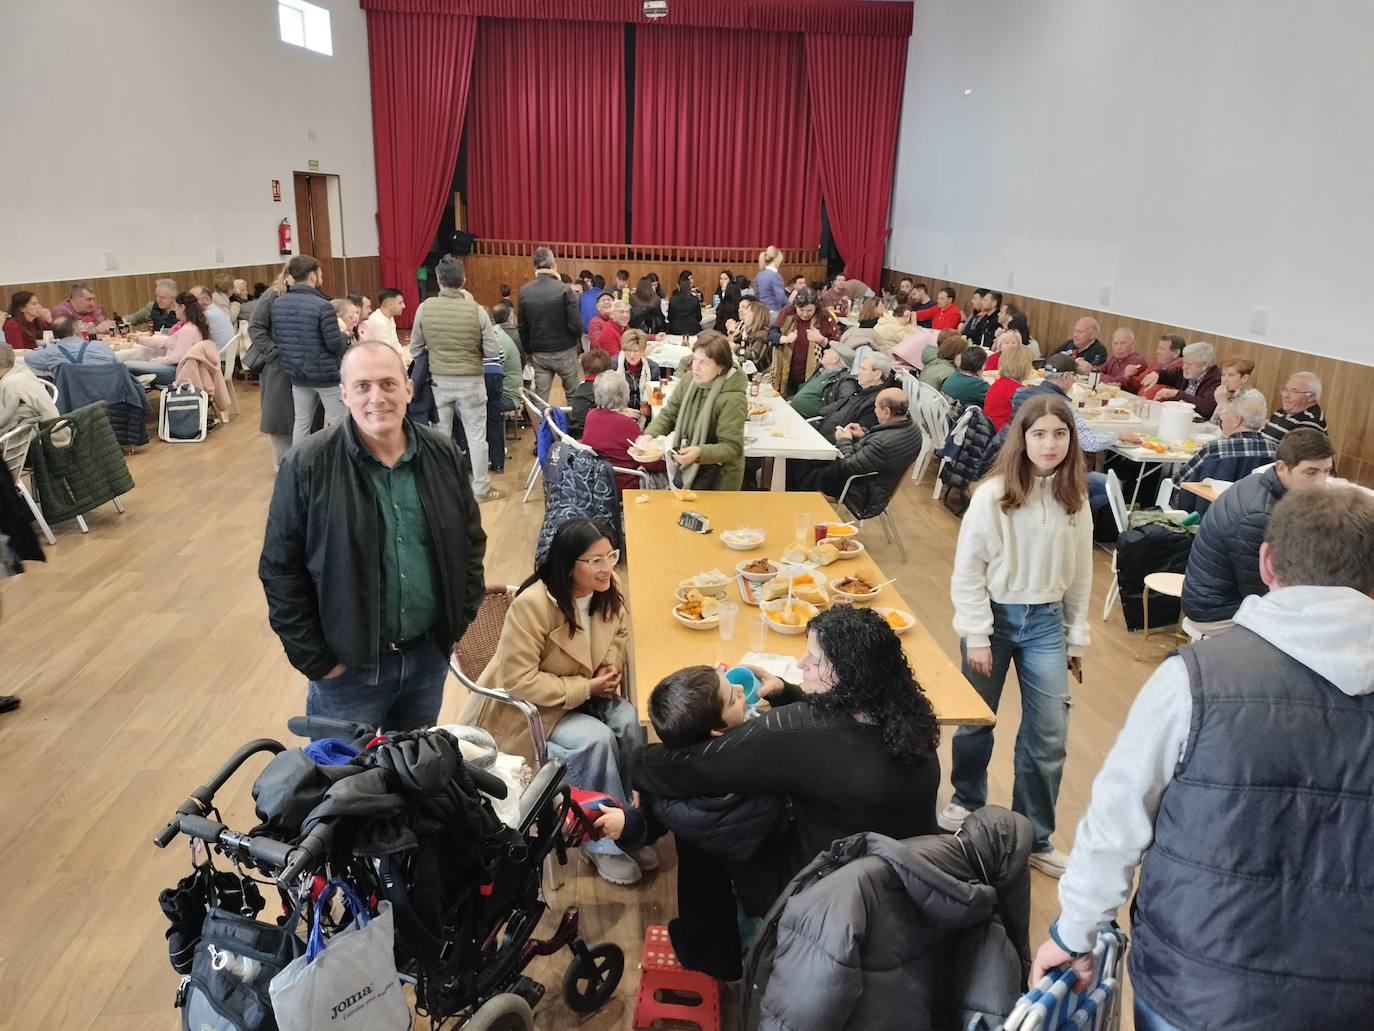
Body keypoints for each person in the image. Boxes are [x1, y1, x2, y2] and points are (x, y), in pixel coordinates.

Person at [1032, 487, 1374, 1031]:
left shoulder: (1194, 677)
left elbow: (1116, 819)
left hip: (1197, 987)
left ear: (1266, 563)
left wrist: (1074, 934)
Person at [633, 607, 943, 968]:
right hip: (905, 878)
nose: (800, 663)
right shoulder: (906, 708)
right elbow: (838, 731)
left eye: (813, 660)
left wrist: (636, 763)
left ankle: (711, 953)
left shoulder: (794, 731)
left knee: (696, 820)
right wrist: (788, 692)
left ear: (846, 674)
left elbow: (693, 767)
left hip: (826, 893)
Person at [260, 341, 486, 731]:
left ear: (409, 389)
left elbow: (470, 544)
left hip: (427, 661)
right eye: (362, 386)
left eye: (388, 384)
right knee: (343, 787)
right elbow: (280, 570)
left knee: (413, 777)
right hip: (347, 673)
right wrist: (318, 660)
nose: (376, 398)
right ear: (344, 393)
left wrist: (453, 625)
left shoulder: (443, 454)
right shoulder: (307, 465)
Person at [943, 393, 1094, 877]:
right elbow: (969, 570)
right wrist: (978, 634)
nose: (1050, 444)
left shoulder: (1076, 497)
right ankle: (967, 800)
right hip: (994, 616)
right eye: (1039, 434)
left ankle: (1035, 836)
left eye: (1060, 434)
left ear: (1071, 440)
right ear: (1021, 439)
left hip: (1047, 621)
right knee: (977, 719)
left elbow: (1082, 572)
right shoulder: (992, 495)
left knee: (1048, 733)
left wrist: (1075, 636)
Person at [476, 518, 644, 885]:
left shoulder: (606, 587)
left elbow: (620, 631)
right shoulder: (533, 605)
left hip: (590, 688)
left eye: (610, 556)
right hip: (539, 709)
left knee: (631, 723)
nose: (606, 568)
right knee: (595, 742)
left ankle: (629, 822)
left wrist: (611, 662)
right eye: (595, 560)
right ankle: (600, 844)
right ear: (569, 564)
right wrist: (587, 687)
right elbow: (519, 680)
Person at [1180, 427, 1334, 635]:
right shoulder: (1259, 517)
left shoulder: (1258, 482)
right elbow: (1263, 593)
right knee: (1316, 633)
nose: (1321, 482)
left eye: (1327, 471)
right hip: (1216, 612)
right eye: (1311, 472)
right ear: (1281, 468)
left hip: (1219, 597)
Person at [411, 256, 507, 502]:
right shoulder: (477, 311)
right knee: (477, 437)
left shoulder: (424, 308)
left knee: (441, 438)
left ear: (438, 281)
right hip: (472, 382)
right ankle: (482, 488)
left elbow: (416, 348)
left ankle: (442, 489)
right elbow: (492, 352)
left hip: (439, 382)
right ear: (464, 280)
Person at [643, 331, 747, 490]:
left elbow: (732, 448)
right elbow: (670, 413)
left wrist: (699, 452)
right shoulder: (689, 381)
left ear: (721, 368)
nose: (696, 367)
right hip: (692, 467)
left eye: (704, 362)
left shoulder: (732, 398)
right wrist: (649, 435)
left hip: (720, 478)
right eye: (695, 359)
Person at [273, 255, 349, 444]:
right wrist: (345, 337)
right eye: (320, 273)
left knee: (302, 422)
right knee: (339, 421)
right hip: (326, 376)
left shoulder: (278, 304)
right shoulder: (323, 306)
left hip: (296, 373)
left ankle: (299, 466)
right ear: (313, 276)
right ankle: (341, 465)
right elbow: (334, 344)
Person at [808, 387, 924, 510]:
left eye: (876, 407)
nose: (874, 411)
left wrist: (843, 440)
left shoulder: (882, 443)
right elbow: (878, 452)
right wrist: (864, 435)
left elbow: (847, 466)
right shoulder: (912, 429)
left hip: (858, 491)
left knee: (796, 466)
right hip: (874, 483)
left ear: (886, 412)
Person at [1170, 389, 1277, 514]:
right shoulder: (1275, 450)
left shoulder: (1215, 450)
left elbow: (1179, 480)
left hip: (1204, 514)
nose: (1222, 420)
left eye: (1224, 416)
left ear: (1237, 420)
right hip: (1252, 515)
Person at [581, 371, 667, 490]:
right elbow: (648, 461)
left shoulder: (591, 415)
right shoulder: (626, 424)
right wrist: (666, 463)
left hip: (596, 480)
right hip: (625, 483)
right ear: (624, 395)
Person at [517, 247, 582, 403]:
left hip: (539, 353)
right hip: (566, 350)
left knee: (541, 399)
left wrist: (529, 351)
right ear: (554, 264)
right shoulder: (564, 289)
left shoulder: (525, 291)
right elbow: (576, 325)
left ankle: (541, 427)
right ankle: (573, 427)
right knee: (573, 395)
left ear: (535, 267)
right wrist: (575, 343)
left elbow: (522, 327)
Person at [120, 291, 209, 387]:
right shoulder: (192, 326)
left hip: (176, 372)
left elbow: (175, 358)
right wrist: (139, 339)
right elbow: (165, 342)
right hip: (176, 369)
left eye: (175, 306)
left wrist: (153, 360)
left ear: (182, 308)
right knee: (131, 363)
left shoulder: (187, 330)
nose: (174, 310)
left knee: (127, 365)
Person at [767, 287, 840, 396]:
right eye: (801, 310)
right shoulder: (788, 312)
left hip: (813, 374)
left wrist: (822, 340)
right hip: (786, 372)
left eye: (809, 310)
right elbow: (771, 333)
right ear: (795, 306)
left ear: (816, 307)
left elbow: (838, 348)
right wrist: (784, 339)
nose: (805, 314)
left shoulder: (825, 317)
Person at [487, 301, 523, 474]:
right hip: (505, 390)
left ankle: (485, 456)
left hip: (508, 396)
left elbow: (491, 375)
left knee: (466, 407)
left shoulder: (496, 339)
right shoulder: (497, 334)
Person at [0, 343, 60, 438]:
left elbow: (3, 419)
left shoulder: (10, 385)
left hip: (43, 438)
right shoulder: (21, 370)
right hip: (53, 426)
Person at [22, 315, 117, 374]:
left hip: (73, 402)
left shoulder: (51, 353)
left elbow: (28, 359)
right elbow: (117, 367)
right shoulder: (101, 347)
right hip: (110, 397)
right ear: (76, 330)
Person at [1150, 340, 1222, 418]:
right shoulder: (1187, 372)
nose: (1184, 367)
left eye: (1189, 364)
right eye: (1184, 362)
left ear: (1204, 365)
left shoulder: (1217, 380)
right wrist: (1157, 374)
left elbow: (1207, 407)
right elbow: (1168, 374)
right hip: (1179, 417)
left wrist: (1178, 394)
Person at [789, 339, 857, 420]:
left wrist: (822, 412)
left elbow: (846, 402)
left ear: (835, 359)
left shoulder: (845, 381)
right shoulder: (821, 371)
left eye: (830, 350)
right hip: (793, 412)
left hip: (808, 421)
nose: (825, 351)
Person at [1262, 370, 1327, 442]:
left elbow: (1291, 453)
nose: (1285, 395)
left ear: (1311, 397)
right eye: (1285, 390)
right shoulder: (1282, 411)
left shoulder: (1311, 423)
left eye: (1294, 391)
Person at [984, 339, 1032, 431]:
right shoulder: (1018, 391)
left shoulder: (997, 383)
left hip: (992, 431)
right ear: (1024, 367)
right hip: (1005, 436)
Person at [566, 347, 612, 439]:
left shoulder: (579, 390)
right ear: (608, 370)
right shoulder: (606, 391)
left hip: (576, 435)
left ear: (584, 370)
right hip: (594, 438)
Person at [615, 329, 661, 413]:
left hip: (644, 413)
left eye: (636, 351)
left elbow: (657, 399)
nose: (632, 355)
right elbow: (606, 398)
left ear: (643, 351)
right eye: (628, 350)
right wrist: (622, 411)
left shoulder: (653, 368)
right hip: (619, 411)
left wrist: (649, 408)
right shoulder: (613, 366)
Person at [727, 296, 771, 367]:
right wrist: (732, 334)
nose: (745, 313)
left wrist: (735, 347)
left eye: (749, 310)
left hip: (759, 374)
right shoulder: (748, 332)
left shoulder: (762, 334)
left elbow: (754, 357)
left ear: (757, 315)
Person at [363, 288, 405, 354]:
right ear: (390, 305)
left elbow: (395, 343)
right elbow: (387, 351)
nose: (403, 306)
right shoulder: (378, 321)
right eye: (400, 303)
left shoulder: (390, 317)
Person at [665, 272, 702, 337]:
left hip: (675, 330)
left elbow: (670, 318)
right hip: (692, 330)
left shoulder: (673, 299)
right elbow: (699, 318)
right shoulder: (694, 299)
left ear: (678, 286)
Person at [754, 246, 787, 315]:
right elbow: (780, 298)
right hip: (774, 311)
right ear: (776, 259)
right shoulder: (775, 276)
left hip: (761, 312)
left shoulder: (759, 275)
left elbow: (756, 294)